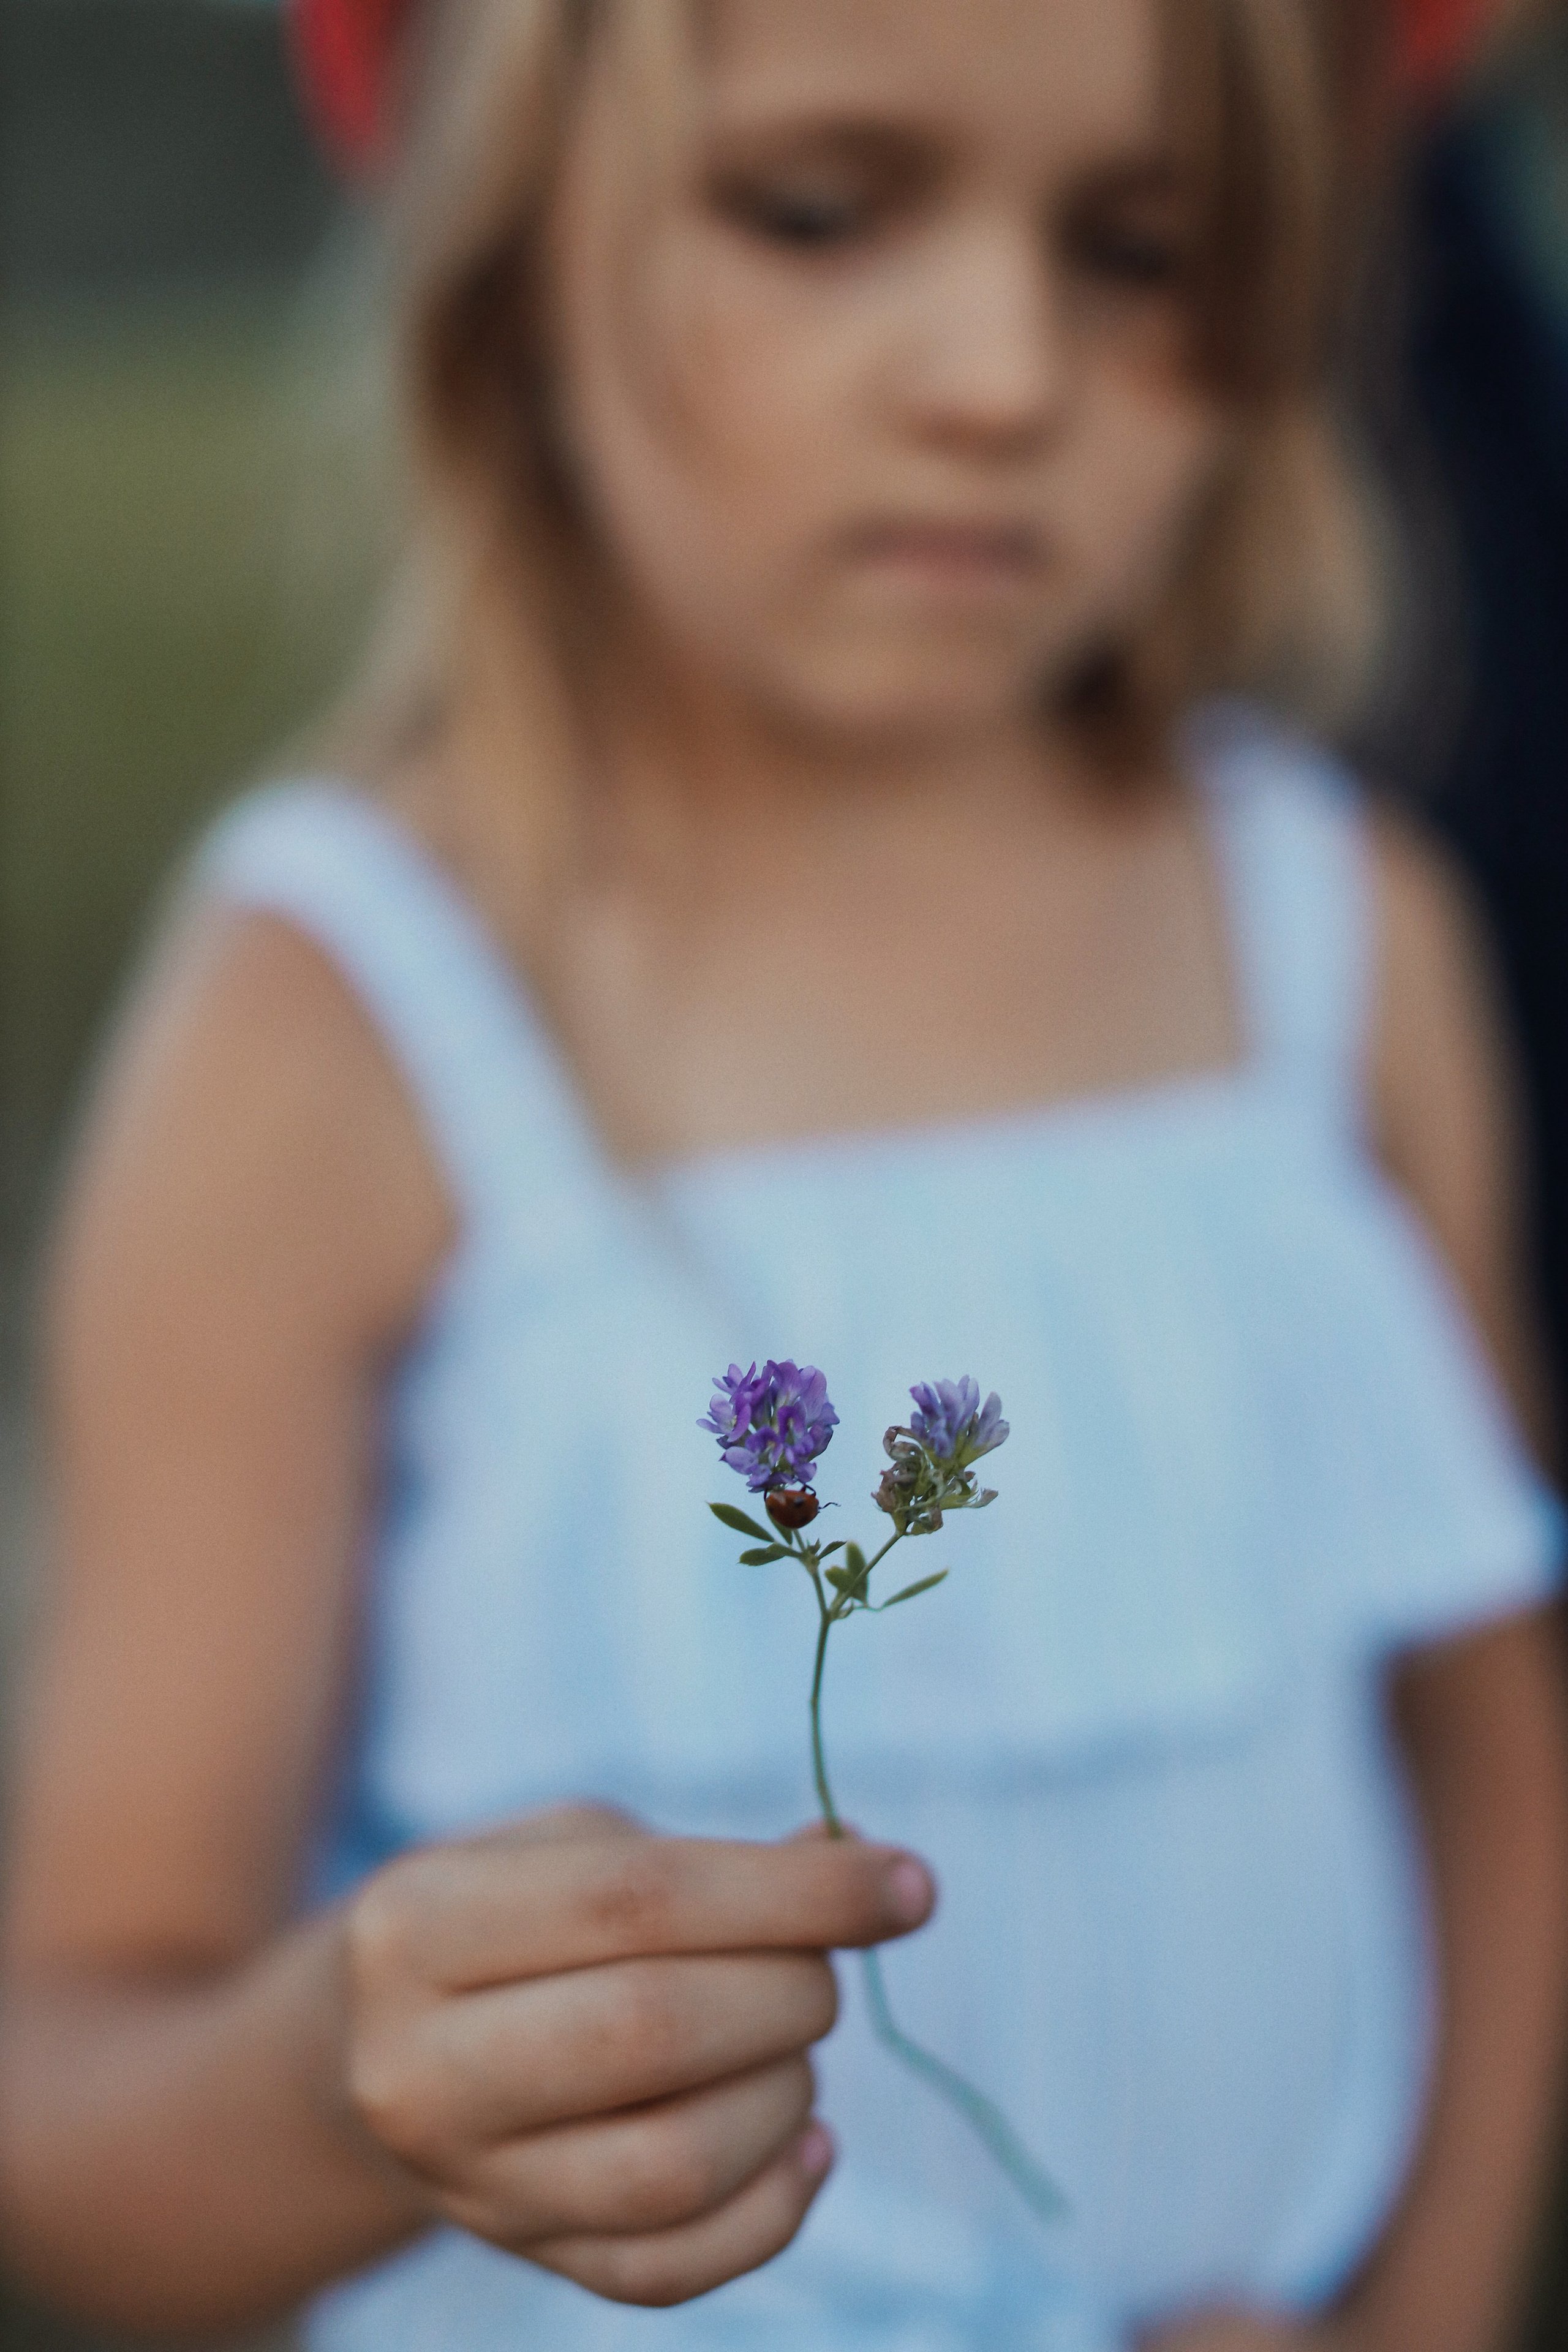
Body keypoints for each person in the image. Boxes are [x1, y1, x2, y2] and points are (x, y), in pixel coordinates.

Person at [2, 3, 1566, 2348]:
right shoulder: (333, 1034)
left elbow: (1485, 1746)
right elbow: (68, 2112)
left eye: (1141, 249)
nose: (1002, 373)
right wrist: (341, 2078)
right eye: (821, 208)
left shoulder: (1352, 952)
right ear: (506, 245)